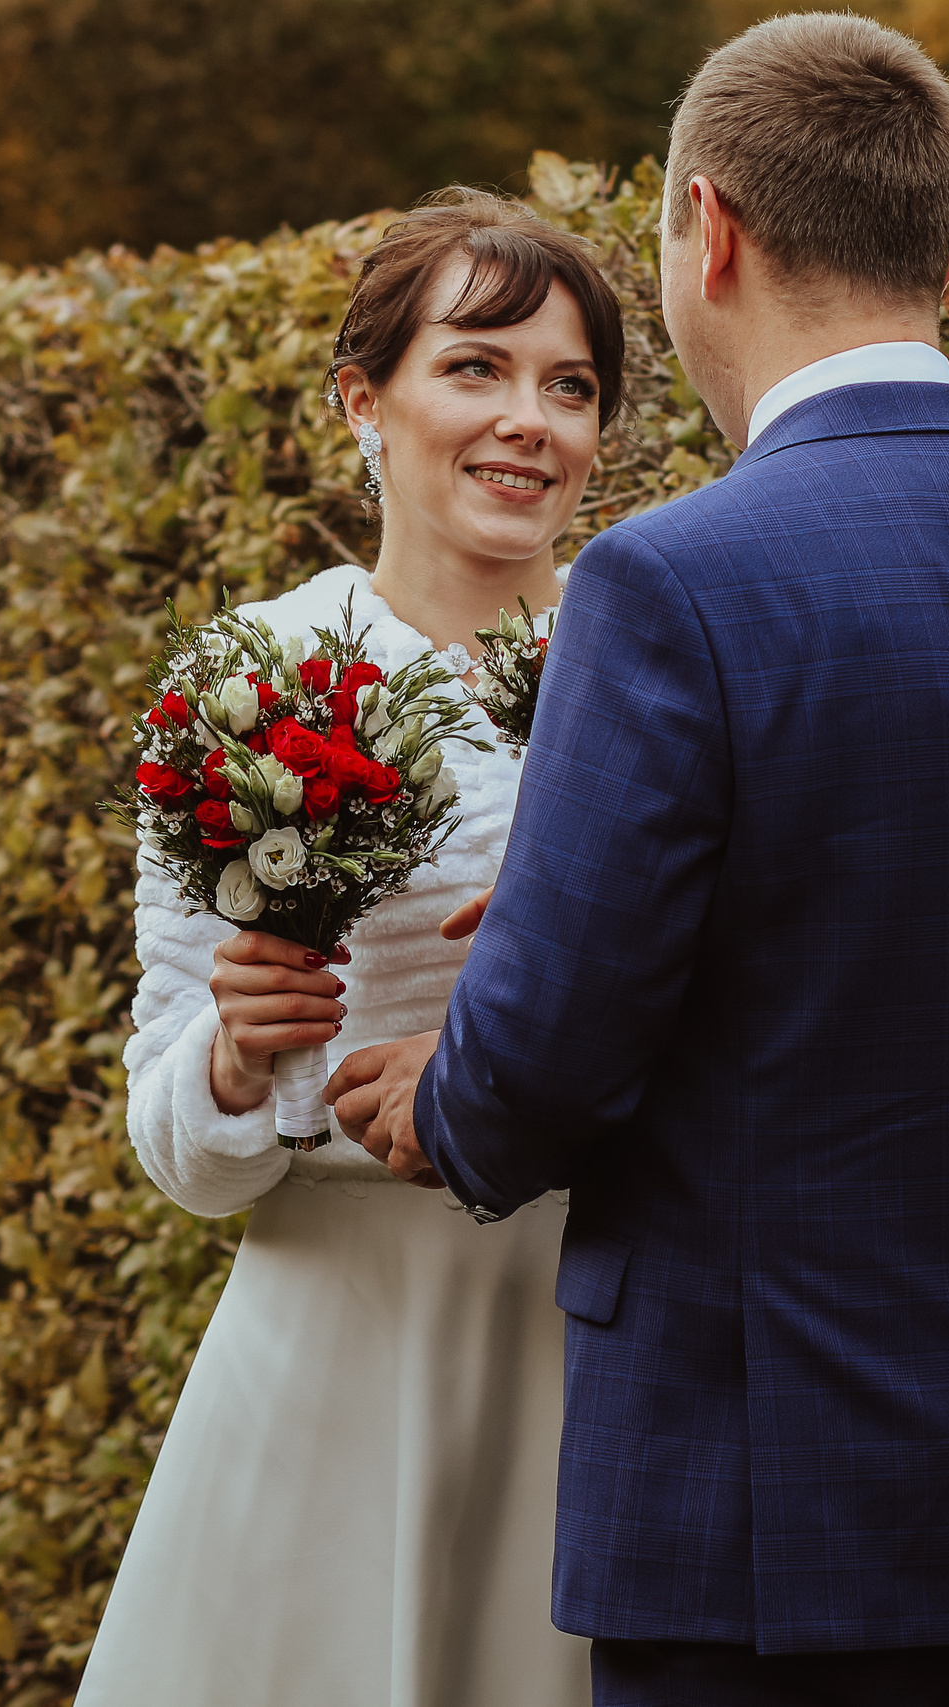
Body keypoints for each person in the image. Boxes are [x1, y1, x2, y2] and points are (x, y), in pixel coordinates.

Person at [325, 15, 949, 1707]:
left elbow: (544, 1057)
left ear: (708, 227)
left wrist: (443, 1094)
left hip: (761, 1512)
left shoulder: (672, 586)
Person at [74, 189, 622, 1707]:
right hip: (334, 1321)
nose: (529, 421)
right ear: (362, 403)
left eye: (568, 386)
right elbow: (180, 1156)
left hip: (591, 1322)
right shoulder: (256, 677)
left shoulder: (645, 674)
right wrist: (239, 1056)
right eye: (477, 368)